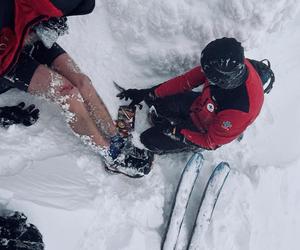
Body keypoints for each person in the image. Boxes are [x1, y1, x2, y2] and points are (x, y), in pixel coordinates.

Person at [0, 0, 153, 178]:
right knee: (69, 95)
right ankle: (112, 155)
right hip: (6, 59)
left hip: (27, 30)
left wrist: (46, 21)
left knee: (82, 83)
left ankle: (116, 137)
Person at [118, 37, 265, 155]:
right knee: (158, 103)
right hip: (199, 105)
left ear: (223, 80)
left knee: (147, 139)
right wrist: (149, 93)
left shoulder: (239, 111)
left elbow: (210, 142)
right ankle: (172, 123)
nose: (203, 74)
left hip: (203, 131)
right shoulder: (221, 65)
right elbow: (185, 82)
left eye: (208, 76)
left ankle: (182, 146)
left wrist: (175, 132)